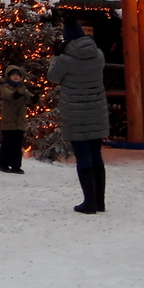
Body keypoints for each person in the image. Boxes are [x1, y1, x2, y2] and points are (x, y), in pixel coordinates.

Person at [47, 17, 109, 213]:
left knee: (83, 156)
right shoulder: (98, 55)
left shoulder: (65, 60)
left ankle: (88, 202)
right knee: (96, 154)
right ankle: (100, 201)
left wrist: (55, 56)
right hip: (97, 112)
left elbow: (53, 77)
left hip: (75, 113)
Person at [0, 64, 33, 174]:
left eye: (18, 75)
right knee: (7, 144)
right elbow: (7, 94)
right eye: (13, 75)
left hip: (20, 123)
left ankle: (16, 165)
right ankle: (3, 164)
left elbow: (30, 97)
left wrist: (34, 98)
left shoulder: (22, 88)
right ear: (8, 76)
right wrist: (15, 95)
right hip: (8, 123)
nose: (16, 77)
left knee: (17, 145)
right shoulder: (6, 87)